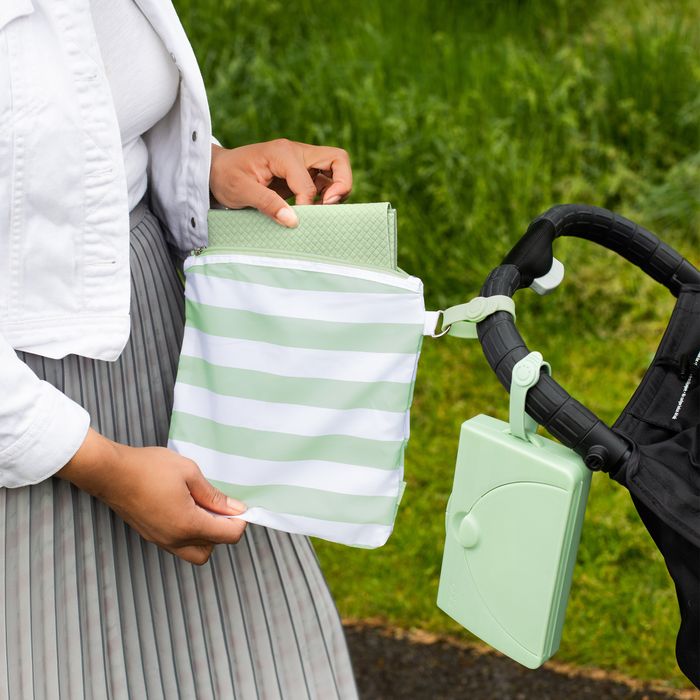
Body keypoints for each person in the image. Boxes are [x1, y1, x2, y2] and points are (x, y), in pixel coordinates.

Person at [0, 0, 359, 697]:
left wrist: (209, 166)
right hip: (26, 420)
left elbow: (87, 120)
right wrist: (100, 465)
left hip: (160, 366)